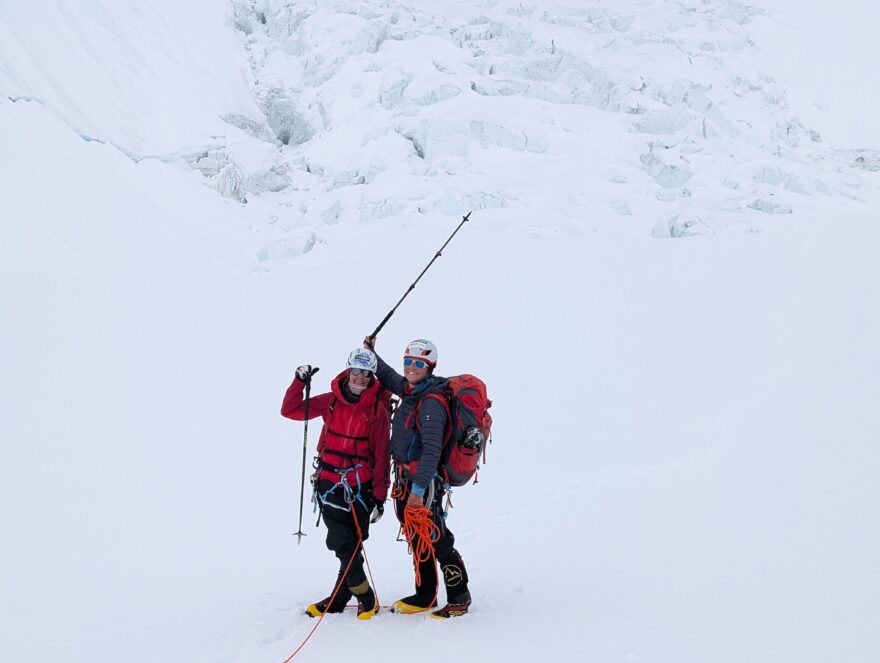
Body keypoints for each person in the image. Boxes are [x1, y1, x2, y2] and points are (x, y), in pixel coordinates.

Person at [363, 336, 472, 619]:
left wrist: (418, 491)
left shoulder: (431, 403)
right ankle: (425, 595)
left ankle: (459, 598)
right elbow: (388, 376)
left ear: (430, 367)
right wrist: (370, 352)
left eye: (418, 364)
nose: (411, 368)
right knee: (417, 537)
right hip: (405, 479)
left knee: (437, 538)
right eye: (408, 362)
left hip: (422, 483)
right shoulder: (411, 390)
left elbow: (432, 451)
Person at [281, 348, 390, 620]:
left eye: (366, 373)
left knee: (351, 544)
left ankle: (339, 600)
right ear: (347, 371)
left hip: (360, 490)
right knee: (342, 543)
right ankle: (365, 597)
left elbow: (382, 454)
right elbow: (290, 410)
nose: (360, 377)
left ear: (372, 377)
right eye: (356, 371)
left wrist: (380, 496)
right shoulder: (331, 401)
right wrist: (299, 382)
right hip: (328, 485)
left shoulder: (377, 410)